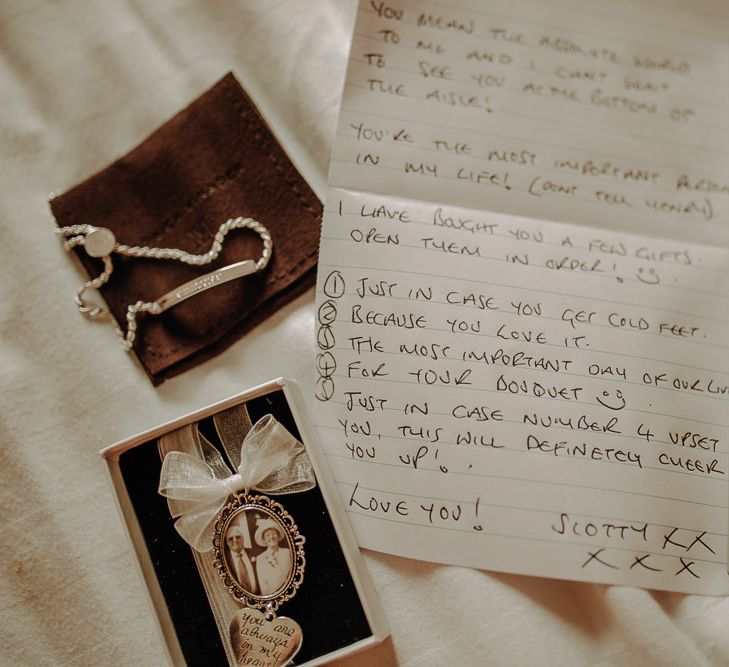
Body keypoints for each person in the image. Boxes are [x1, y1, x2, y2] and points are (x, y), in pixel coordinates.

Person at [253, 518, 292, 596]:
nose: (271, 537)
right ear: (264, 540)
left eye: (274, 533)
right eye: (267, 535)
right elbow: (263, 585)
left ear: (278, 536)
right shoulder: (260, 559)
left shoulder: (288, 552)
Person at [225, 524, 258, 594]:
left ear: (243, 539)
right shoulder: (225, 560)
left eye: (237, 537)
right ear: (227, 543)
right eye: (231, 538)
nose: (235, 540)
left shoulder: (255, 553)